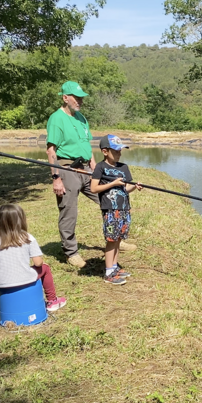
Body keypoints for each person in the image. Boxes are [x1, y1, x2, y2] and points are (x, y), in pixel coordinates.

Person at [46, 80, 136, 268]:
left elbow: (87, 147)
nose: (80, 101)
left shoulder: (81, 118)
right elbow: (51, 151)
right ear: (65, 98)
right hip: (68, 167)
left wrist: (97, 171)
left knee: (110, 197)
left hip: (87, 167)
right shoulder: (56, 118)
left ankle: (117, 238)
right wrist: (56, 178)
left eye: (81, 98)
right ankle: (71, 252)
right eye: (76, 97)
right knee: (69, 211)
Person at [0, 204, 66, 312]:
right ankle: (52, 300)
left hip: (1, 283)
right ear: (21, 220)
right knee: (45, 268)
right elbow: (38, 263)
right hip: (25, 279)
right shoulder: (27, 237)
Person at [90, 135, 141, 285]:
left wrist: (134, 187)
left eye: (121, 151)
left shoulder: (123, 167)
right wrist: (112, 184)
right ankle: (108, 273)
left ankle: (114, 267)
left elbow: (125, 188)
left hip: (124, 209)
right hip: (110, 209)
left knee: (118, 239)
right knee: (111, 240)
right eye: (116, 151)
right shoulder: (100, 167)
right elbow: (94, 188)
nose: (119, 154)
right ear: (105, 151)